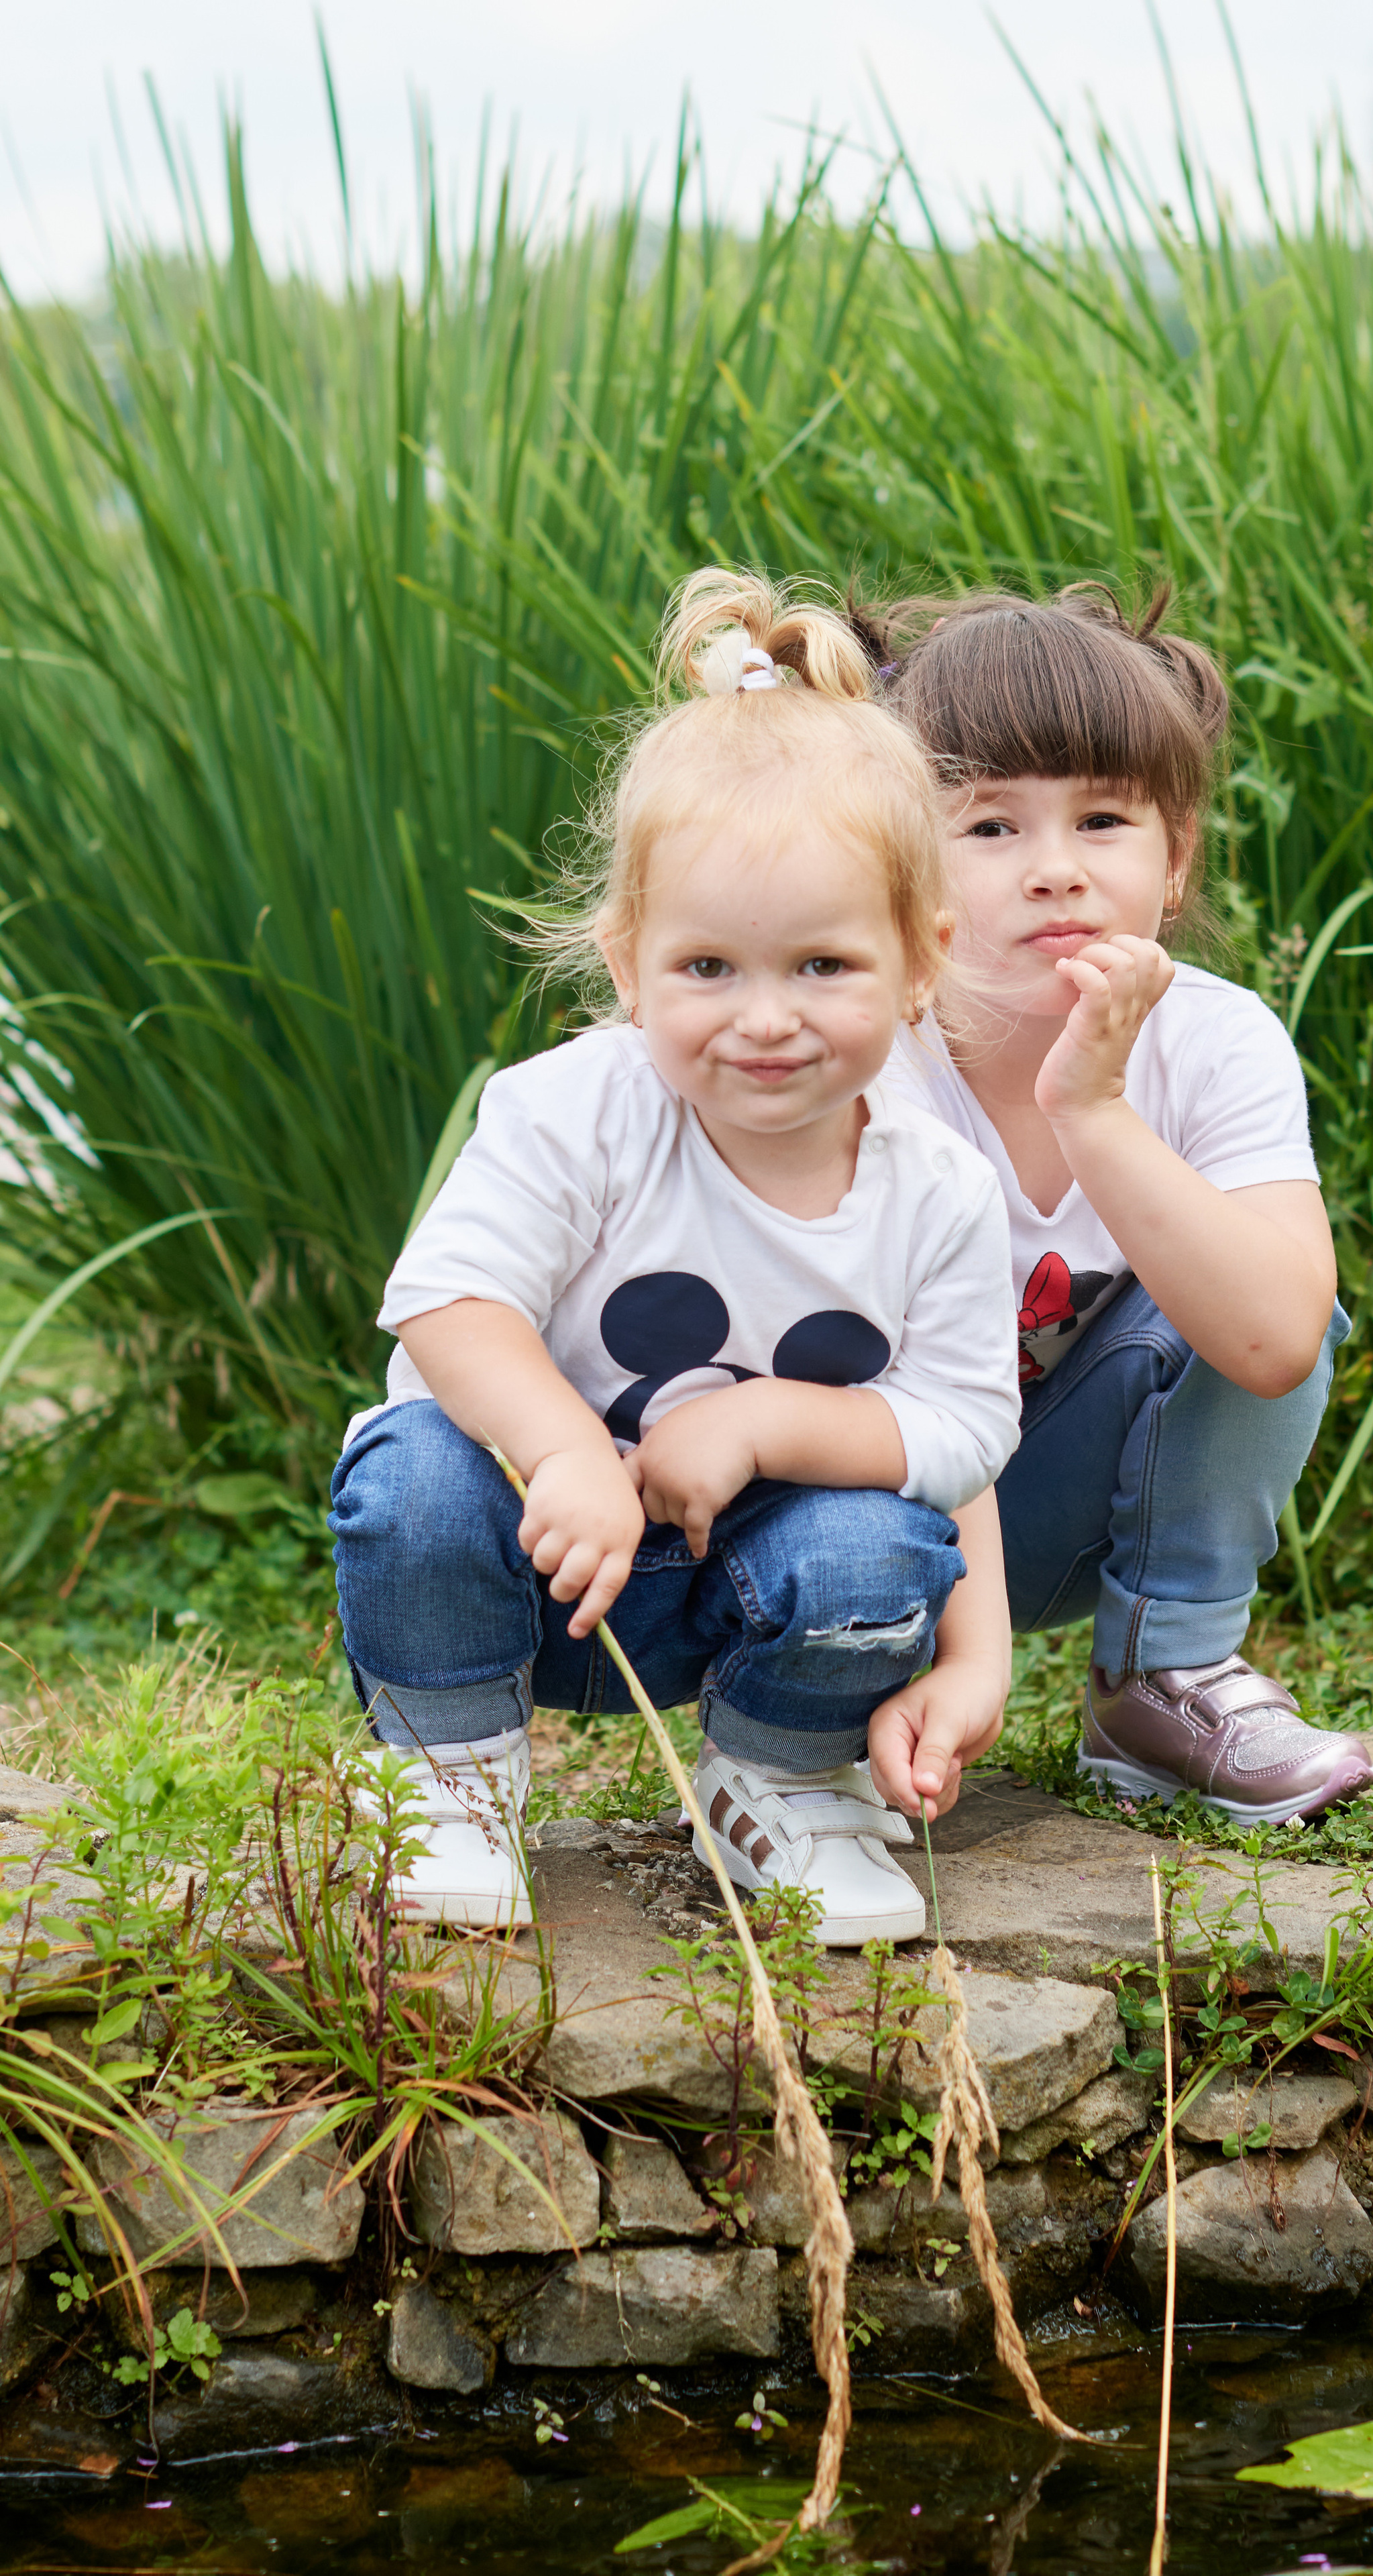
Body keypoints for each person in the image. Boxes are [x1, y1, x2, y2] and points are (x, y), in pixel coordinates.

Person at [328, 571, 1020, 1938]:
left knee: (879, 1548)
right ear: (629, 962)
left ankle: (776, 1782)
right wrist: (570, 1452)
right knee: (408, 1476)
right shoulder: (579, 1107)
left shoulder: (936, 1186)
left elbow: (965, 1426)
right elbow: (444, 1305)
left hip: (734, 1589)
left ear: (921, 962)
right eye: (708, 969)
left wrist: (765, 1422)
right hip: (520, 1556)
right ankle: (448, 1775)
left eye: (822, 966)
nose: (764, 1019)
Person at [850, 580, 1373, 1829]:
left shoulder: (1213, 1040)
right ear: (896, 864)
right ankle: (824, 1694)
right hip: (876, 1517)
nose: (1055, 874)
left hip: (1058, 1509)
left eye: (1102, 821)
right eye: (989, 829)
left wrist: (1096, 1109)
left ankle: (1162, 1671)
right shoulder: (859, 1053)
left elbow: (1272, 1338)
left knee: (1251, 1280)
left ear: (1177, 859)